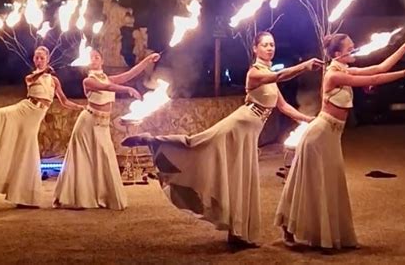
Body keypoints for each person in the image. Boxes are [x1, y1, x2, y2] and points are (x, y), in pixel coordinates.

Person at [122, 32, 323, 248]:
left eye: (272, 44)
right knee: (198, 145)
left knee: (239, 178)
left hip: (250, 132)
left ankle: (236, 233)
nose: (270, 48)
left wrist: (308, 119)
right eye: (265, 45)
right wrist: (303, 67)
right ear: (255, 49)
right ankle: (152, 141)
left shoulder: (268, 75)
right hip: (240, 126)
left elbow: (283, 106)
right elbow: (280, 76)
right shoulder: (255, 72)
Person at [275, 34, 405, 250]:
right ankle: (289, 229)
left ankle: (327, 234)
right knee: (309, 182)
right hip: (320, 135)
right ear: (338, 54)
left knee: (330, 185)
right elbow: (374, 79)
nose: (355, 49)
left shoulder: (343, 70)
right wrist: (404, 73)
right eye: (350, 47)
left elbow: (378, 68)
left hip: (331, 136)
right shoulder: (333, 74)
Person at [0, 46, 83, 207]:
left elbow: (64, 100)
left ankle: (23, 195)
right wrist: (43, 71)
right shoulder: (31, 76)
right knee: (1, 116)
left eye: (42, 58)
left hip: (36, 115)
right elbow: (32, 80)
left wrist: (79, 107)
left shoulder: (54, 81)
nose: (39, 60)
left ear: (48, 59)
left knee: (26, 152)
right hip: (25, 109)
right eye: (36, 57)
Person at [53, 49, 160, 210]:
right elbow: (107, 87)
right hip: (89, 122)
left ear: (102, 61)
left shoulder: (106, 77)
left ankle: (103, 196)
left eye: (97, 57)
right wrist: (128, 90)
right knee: (84, 159)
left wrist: (148, 60)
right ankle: (76, 197)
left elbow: (129, 74)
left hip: (102, 124)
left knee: (104, 159)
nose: (94, 59)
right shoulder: (88, 81)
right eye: (91, 58)